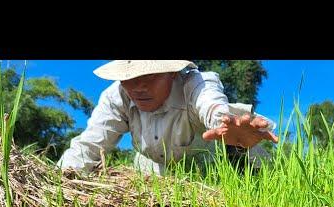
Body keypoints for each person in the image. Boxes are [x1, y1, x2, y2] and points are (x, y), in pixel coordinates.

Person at [57, 60, 279, 175]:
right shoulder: (117, 97)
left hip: (211, 171)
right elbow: (89, 146)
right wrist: (56, 183)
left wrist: (226, 124)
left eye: (150, 75)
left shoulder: (195, 84)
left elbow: (212, 105)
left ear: (173, 73)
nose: (138, 86)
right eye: (129, 78)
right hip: (154, 175)